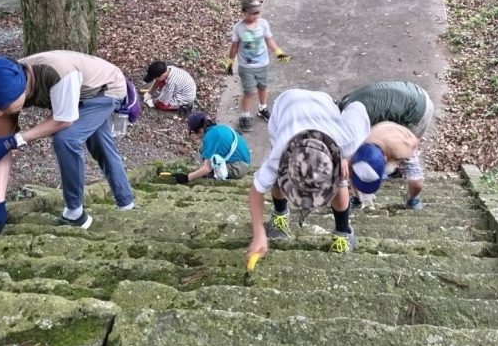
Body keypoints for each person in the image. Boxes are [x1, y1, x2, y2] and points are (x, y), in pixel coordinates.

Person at [0, 51, 135, 232]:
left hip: (105, 89)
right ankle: (127, 204)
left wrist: (16, 140)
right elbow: (2, 148)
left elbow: (64, 120)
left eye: (3, 107)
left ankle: (74, 213)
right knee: (101, 144)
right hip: (78, 92)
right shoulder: (1, 96)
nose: (0, 113)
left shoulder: (58, 73)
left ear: (21, 89)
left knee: (66, 139)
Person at [247, 89, 370, 257]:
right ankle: (280, 213)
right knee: (275, 178)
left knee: (341, 179)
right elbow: (256, 190)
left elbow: (358, 107)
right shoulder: (279, 154)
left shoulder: (347, 137)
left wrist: (345, 158)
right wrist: (259, 232)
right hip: (286, 106)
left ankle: (343, 231)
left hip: (324, 106)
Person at [338, 81, 434, 210]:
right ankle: (359, 198)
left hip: (417, 108)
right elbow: (350, 165)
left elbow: (416, 182)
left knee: (409, 159)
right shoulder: (346, 125)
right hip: (400, 96)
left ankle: (413, 200)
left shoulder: (401, 141)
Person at [225, 0, 290, 131]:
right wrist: (230, 62)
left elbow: (269, 40)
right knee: (248, 92)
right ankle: (245, 115)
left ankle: (262, 108)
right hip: (246, 67)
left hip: (262, 64)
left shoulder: (263, 24)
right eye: (252, 13)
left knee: (263, 87)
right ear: (243, 12)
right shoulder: (238, 28)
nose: (255, 16)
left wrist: (278, 52)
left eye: (257, 13)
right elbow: (234, 47)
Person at [165, 111, 251, 183]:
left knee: (208, 173)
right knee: (204, 150)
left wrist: (187, 178)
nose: (196, 137)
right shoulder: (218, 128)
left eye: (193, 133)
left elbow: (207, 169)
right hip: (243, 162)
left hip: (239, 168)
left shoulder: (210, 137)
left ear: (199, 130)